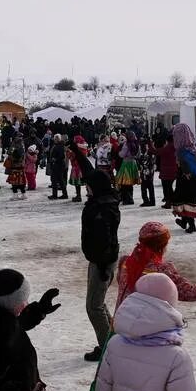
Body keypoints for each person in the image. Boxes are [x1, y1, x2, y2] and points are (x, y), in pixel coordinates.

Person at [70, 140, 121, 362]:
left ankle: (109, 347)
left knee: (94, 307)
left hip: (103, 262)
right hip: (100, 260)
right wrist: (77, 153)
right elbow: (91, 173)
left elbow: (106, 242)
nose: (86, 187)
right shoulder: (103, 198)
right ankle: (113, 341)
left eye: (88, 185)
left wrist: (101, 267)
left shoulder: (103, 211)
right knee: (97, 304)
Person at [169, 123, 196, 234]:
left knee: (184, 200)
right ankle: (184, 222)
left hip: (185, 178)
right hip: (195, 178)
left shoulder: (181, 150)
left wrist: (186, 172)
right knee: (189, 200)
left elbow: (183, 163)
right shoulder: (193, 148)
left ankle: (191, 225)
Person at [47, 134, 68, 200]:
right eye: (55, 139)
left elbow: (62, 156)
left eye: (56, 139)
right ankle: (63, 194)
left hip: (58, 165)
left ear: (58, 139)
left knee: (56, 180)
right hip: (57, 165)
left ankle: (55, 195)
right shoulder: (57, 145)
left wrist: (55, 159)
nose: (55, 140)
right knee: (60, 180)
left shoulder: (60, 146)